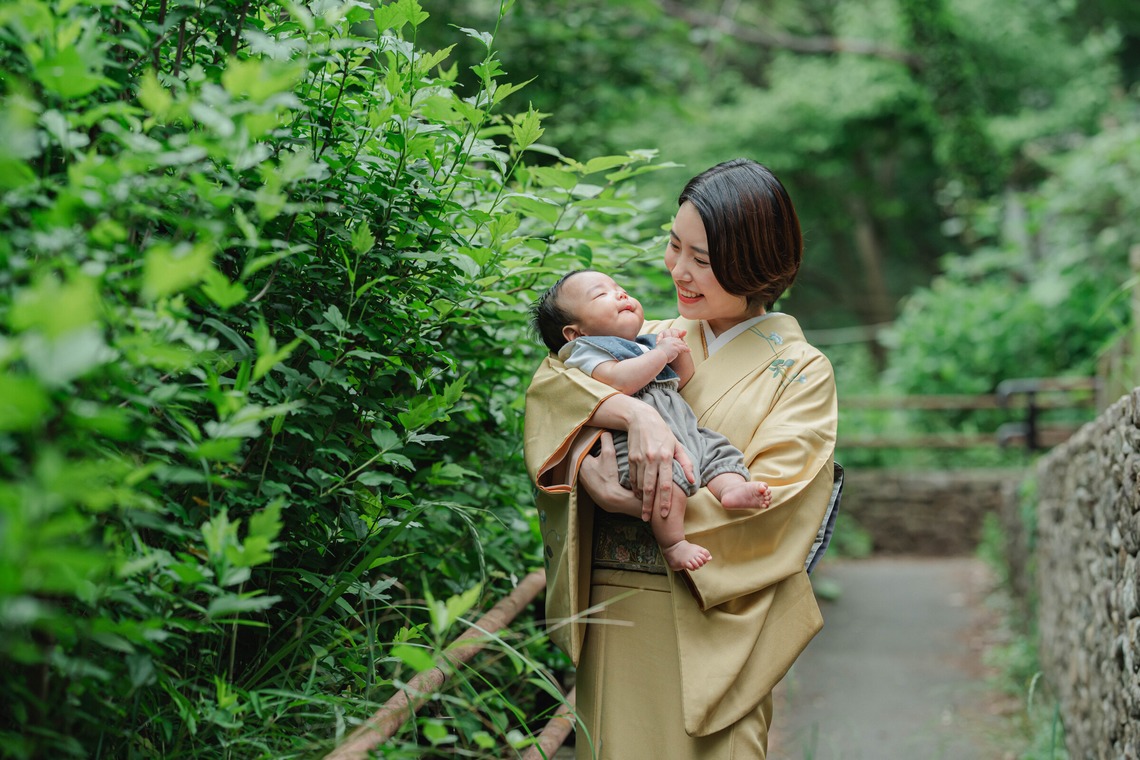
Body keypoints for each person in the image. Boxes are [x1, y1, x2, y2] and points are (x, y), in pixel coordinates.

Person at [524, 158, 838, 758]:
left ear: (754, 264)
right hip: (614, 609)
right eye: (675, 247)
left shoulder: (799, 370)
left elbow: (779, 505)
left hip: (712, 622)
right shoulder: (647, 338)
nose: (679, 271)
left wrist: (642, 502)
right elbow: (552, 393)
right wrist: (631, 416)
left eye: (704, 260)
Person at [529, 269, 773, 572]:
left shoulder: (644, 343)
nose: (619, 293)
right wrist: (660, 354)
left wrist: (677, 352)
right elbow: (621, 382)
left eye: (619, 287)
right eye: (601, 294)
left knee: (718, 450)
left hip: (684, 432)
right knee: (666, 479)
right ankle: (673, 543)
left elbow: (680, 380)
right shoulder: (586, 352)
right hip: (633, 446)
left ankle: (730, 489)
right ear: (575, 333)